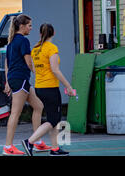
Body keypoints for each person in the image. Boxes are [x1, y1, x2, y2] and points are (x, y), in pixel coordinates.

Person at [21, 23, 75, 156]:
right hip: (50, 88)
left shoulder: (35, 49)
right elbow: (55, 70)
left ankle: (55, 148)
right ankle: (30, 141)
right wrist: (68, 86)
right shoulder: (51, 48)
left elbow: (33, 67)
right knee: (53, 119)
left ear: (40, 34)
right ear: (54, 33)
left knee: (53, 118)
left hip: (39, 87)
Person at [3, 14, 47, 155]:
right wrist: (37, 73)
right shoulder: (23, 41)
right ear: (22, 26)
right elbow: (28, 62)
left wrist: (8, 81)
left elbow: (7, 64)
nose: (31, 28)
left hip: (18, 79)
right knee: (15, 113)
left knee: (38, 106)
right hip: (20, 79)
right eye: (29, 25)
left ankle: (37, 142)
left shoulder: (11, 42)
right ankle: (8, 147)